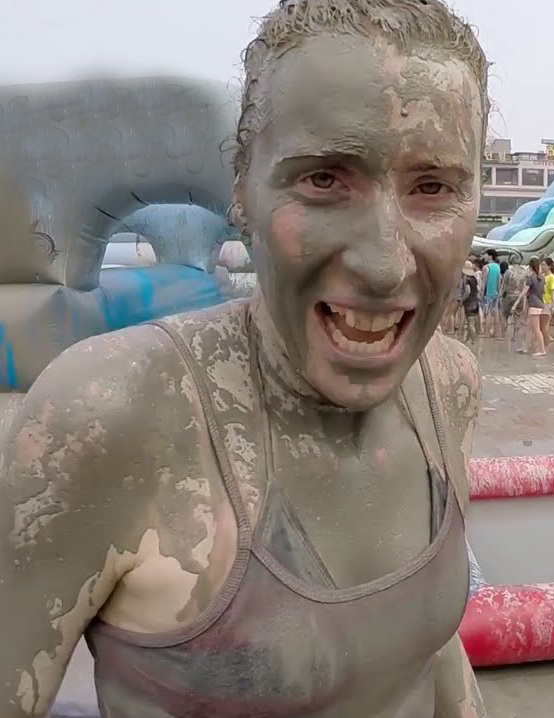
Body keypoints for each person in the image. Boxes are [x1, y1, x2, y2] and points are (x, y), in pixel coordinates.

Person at [0, 2, 489, 716]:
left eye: (434, 187)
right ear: (241, 190)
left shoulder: (449, 387)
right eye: (324, 179)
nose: (385, 264)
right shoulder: (119, 417)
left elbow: (429, 652)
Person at [502, 257, 530, 354]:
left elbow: (504, 285)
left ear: (511, 262)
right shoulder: (525, 272)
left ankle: (503, 334)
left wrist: (501, 295)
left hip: (509, 295)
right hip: (520, 296)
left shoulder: (508, 272)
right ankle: (515, 335)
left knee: (505, 316)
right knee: (518, 317)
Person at [526, 257, 547, 356]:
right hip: (539, 303)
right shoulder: (542, 277)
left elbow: (524, 291)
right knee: (529, 327)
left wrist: (517, 302)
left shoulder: (531, 277)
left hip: (533, 304)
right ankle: (526, 347)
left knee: (536, 329)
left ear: (530, 267)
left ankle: (542, 350)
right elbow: (543, 291)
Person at [482, 249, 502, 338]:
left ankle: (486, 332)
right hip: (495, 293)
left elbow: (484, 282)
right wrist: (499, 292)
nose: (484, 257)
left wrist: (481, 293)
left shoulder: (486, 267)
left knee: (488, 313)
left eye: (485, 255)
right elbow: (499, 281)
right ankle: (496, 332)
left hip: (488, 292)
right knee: (495, 312)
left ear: (490, 256)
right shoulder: (497, 267)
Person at [461, 261, 480, 344]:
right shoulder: (474, 278)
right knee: (471, 322)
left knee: (470, 324)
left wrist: (462, 300)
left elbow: (467, 291)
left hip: (469, 303)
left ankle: (474, 340)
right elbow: (478, 290)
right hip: (476, 301)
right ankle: (467, 339)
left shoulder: (466, 279)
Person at [540, 258, 554, 344]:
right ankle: (545, 342)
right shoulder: (542, 276)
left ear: (549, 266)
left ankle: (546, 343)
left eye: (544, 265)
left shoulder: (552, 277)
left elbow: (553, 292)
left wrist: (553, 306)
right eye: (541, 265)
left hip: (547, 303)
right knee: (542, 326)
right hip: (540, 302)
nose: (542, 267)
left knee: (544, 326)